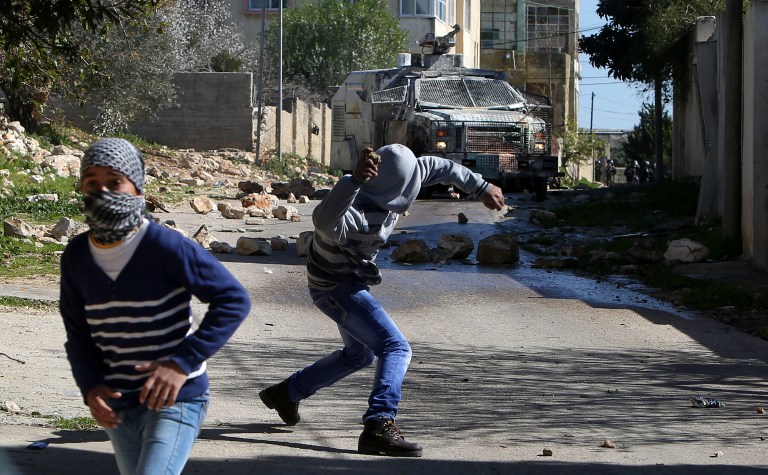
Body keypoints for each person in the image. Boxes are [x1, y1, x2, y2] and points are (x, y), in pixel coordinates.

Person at [259, 144, 505, 457]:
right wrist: (353, 181)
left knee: (359, 355)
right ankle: (378, 424)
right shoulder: (352, 216)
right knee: (396, 346)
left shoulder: (409, 171)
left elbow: (443, 168)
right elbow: (323, 218)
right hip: (334, 289)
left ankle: (286, 393)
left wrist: (481, 186)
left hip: (351, 282)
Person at [59, 138, 251, 475]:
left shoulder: (165, 246)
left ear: (137, 188)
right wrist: (90, 387)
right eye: (92, 182)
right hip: (118, 407)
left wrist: (181, 363)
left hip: (176, 400)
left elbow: (233, 299)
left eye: (114, 181)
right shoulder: (76, 256)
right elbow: (78, 333)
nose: (103, 191)